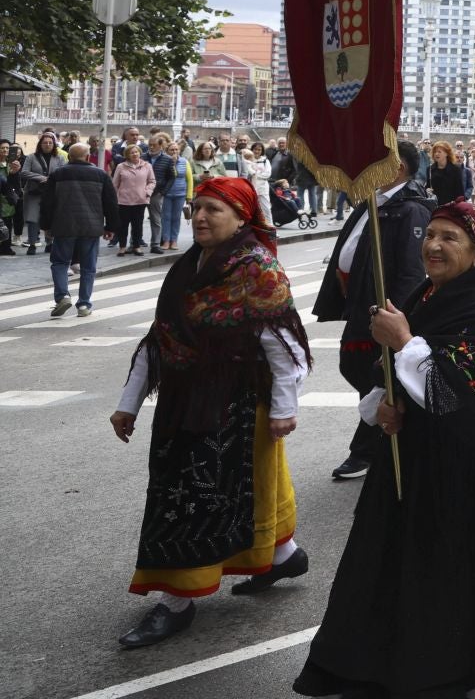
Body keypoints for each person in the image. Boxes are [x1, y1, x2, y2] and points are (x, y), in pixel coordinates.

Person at [294, 201, 475, 696]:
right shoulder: (427, 291)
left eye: (451, 238)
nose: (435, 245)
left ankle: (455, 672)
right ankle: (394, 660)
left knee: (454, 572)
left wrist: (403, 342)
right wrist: (386, 404)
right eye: (431, 235)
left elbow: (452, 391)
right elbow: (410, 379)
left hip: (470, 463)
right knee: (407, 566)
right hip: (420, 455)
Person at [109, 177, 311, 648]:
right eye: (196, 208)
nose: (200, 217)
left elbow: (283, 350)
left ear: (242, 217)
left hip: (235, 407)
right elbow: (161, 338)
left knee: (191, 500)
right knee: (223, 493)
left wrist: (284, 410)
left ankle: (176, 602)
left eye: (213, 209)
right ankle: (284, 555)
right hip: (183, 402)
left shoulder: (257, 270)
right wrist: (128, 403)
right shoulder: (186, 268)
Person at [310, 142, 433, 481]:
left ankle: (366, 449)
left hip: (384, 309)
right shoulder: (373, 201)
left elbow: (411, 269)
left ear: (399, 169)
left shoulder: (411, 209)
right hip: (360, 303)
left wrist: (399, 316)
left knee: (378, 377)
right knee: (354, 367)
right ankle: (387, 432)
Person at [41, 144, 117, 317]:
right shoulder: (101, 175)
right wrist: (111, 227)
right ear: (88, 157)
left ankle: (62, 296)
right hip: (91, 227)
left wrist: (46, 225)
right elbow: (111, 203)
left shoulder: (58, 174)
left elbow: (47, 202)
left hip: (63, 225)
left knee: (60, 262)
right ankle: (83, 305)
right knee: (88, 267)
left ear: (69, 157)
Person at [18, 132, 61, 256]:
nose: (47, 145)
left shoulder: (59, 158)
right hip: (33, 192)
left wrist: (50, 179)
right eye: (45, 143)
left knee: (51, 217)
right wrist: (41, 177)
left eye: (50, 143)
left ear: (54, 144)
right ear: (40, 144)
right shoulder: (31, 157)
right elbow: (24, 172)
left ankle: (49, 243)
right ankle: (32, 245)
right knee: (32, 219)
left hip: (52, 193)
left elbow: (63, 172)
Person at [111, 143, 155, 255]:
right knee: (123, 226)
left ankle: (136, 246)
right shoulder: (121, 166)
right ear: (127, 155)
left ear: (140, 153)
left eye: (136, 152)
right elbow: (115, 184)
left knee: (137, 225)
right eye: (132, 152)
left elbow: (152, 181)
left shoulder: (147, 165)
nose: (135, 154)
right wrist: (114, 199)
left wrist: (147, 192)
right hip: (123, 201)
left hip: (140, 200)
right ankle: (122, 247)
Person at [146, 135, 178, 252]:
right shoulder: (143, 157)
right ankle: (134, 244)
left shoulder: (167, 159)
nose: (151, 147)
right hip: (141, 193)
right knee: (137, 219)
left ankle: (155, 244)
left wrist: (163, 192)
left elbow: (172, 177)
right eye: (150, 145)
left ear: (160, 146)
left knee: (156, 219)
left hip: (157, 193)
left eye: (154, 145)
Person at [426, 140, 465, 207]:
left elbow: (460, 191)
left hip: (451, 207)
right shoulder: (430, 169)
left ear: (446, 153)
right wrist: (426, 190)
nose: (436, 154)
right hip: (434, 206)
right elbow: (428, 186)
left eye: (439, 152)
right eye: (435, 152)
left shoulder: (455, 169)